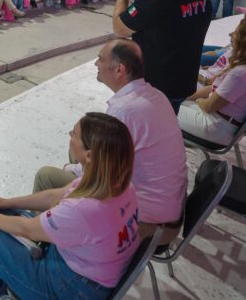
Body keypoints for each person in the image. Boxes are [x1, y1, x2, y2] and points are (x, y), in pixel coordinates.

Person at [0, 113, 140, 300]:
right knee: (3, 214)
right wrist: (6, 202)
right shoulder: (117, 184)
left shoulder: (83, 208)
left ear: (89, 155)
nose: (70, 137)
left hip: (70, 288)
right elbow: (55, 195)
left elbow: (28, 229)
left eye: (74, 134)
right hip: (90, 271)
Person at [33, 41, 186, 241]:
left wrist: (74, 170)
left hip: (147, 223)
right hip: (169, 211)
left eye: (100, 59)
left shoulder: (124, 110)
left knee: (47, 176)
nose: (96, 63)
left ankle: (40, 241)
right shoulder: (155, 95)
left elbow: (101, 174)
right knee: (78, 148)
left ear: (119, 70)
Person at [113, 0, 212, 113]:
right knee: (166, 123)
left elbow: (120, 28)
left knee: (149, 128)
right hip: (183, 81)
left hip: (155, 87)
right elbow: (166, 20)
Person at [179, 17, 246, 145]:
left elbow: (209, 106)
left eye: (236, 33)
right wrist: (187, 98)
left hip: (214, 126)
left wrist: (196, 100)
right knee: (174, 101)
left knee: (164, 109)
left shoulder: (242, 74)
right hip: (223, 124)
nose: (231, 34)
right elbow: (214, 90)